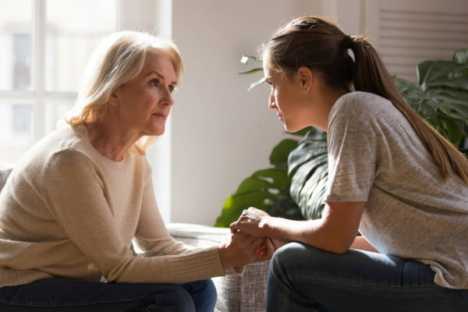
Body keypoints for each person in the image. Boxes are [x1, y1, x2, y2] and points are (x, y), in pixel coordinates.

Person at [0, 31, 267, 312]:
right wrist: (224, 257)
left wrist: (231, 251)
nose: (168, 99)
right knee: (170, 301)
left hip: (71, 282)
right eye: (155, 83)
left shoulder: (135, 160)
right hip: (16, 287)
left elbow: (159, 246)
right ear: (113, 89)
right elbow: (118, 267)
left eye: (171, 87)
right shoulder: (69, 160)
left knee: (197, 286)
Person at [230, 16, 468, 311]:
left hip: (452, 283)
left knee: (290, 266)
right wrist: (284, 235)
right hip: (451, 279)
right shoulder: (365, 109)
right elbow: (381, 244)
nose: (271, 102)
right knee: (295, 257)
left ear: (304, 79)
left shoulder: (352, 111)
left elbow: (335, 237)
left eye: (272, 84)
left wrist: (266, 223)